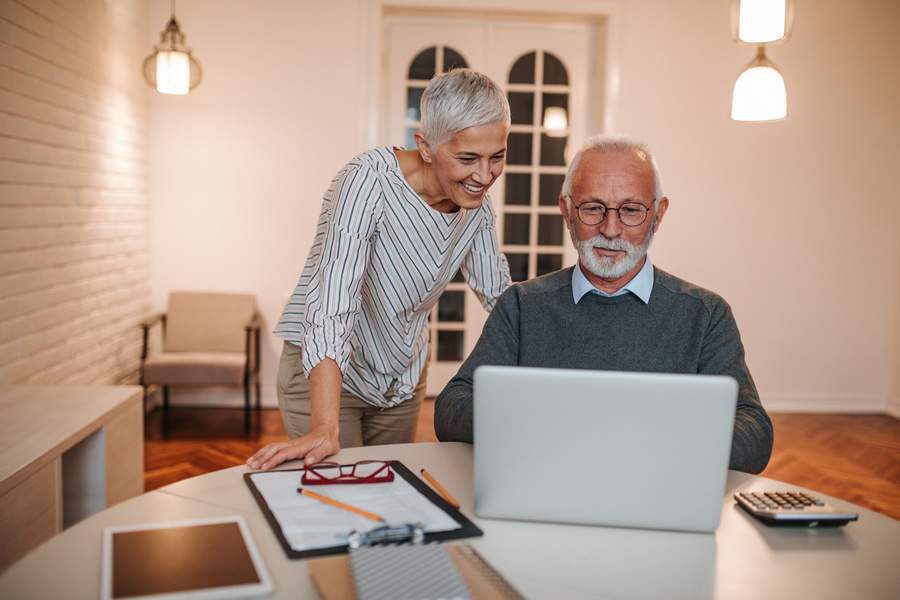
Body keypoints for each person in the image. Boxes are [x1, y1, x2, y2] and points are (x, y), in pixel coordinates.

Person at [434, 134, 773, 474]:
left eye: (630, 210)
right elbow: (452, 408)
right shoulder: (523, 306)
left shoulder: (706, 314)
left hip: (658, 502)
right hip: (547, 495)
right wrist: (543, 425)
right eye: (593, 208)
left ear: (658, 214)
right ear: (566, 211)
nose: (611, 229)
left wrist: (642, 445)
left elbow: (754, 432)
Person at [247, 69, 512, 471]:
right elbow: (333, 304)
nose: (484, 175)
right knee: (337, 493)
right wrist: (324, 425)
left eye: (497, 156)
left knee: (390, 497)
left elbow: (499, 294)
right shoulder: (367, 182)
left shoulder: (474, 209)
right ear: (424, 146)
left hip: (400, 378)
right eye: (467, 158)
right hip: (325, 373)